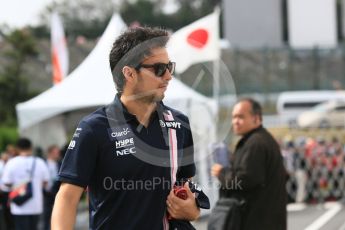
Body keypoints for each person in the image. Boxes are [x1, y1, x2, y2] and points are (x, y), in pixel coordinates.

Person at [51, 27, 200, 230]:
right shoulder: (94, 128)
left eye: (170, 67)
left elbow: (187, 191)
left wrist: (193, 210)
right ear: (129, 73)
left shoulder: (179, 124)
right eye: (159, 69)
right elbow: (67, 197)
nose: (168, 76)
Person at [211, 98, 287, 230]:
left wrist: (222, 173)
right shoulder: (259, 139)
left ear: (256, 119)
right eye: (233, 117)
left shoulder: (256, 143)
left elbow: (246, 179)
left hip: (257, 221)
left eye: (240, 117)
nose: (235, 121)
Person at [1, 138, 50, 230]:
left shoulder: (12, 163)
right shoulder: (39, 162)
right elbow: (46, 183)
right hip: (36, 205)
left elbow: (6, 183)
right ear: (31, 147)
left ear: (17, 148)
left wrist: (18, 187)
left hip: (18, 205)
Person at [43, 145, 61, 230]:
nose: (57, 154)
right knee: (46, 215)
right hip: (45, 193)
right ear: (50, 153)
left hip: (56, 191)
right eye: (55, 152)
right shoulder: (43, 163)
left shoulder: (60, 163)